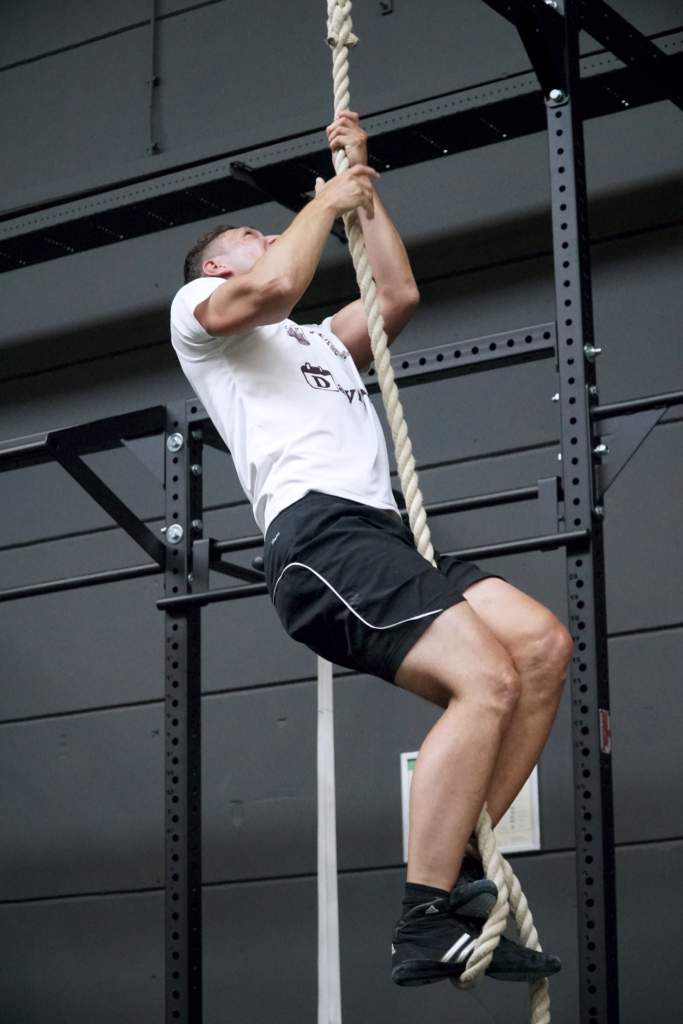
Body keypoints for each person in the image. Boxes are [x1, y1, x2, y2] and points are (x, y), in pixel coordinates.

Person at [170, 111, 572, 987]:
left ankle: (459, 870)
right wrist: (322, 202)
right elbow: (277, 283)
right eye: (251, 236)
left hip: (382, 532)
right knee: (484, 681)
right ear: (216, 268)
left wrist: (363, 188)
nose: (270, 238)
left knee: (539, 648)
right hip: (319, 537)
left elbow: (395, 297)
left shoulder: (315, 342)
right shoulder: (201, 317)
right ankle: (422, 920)